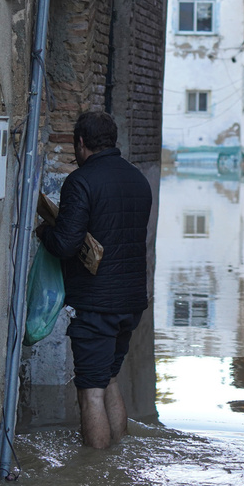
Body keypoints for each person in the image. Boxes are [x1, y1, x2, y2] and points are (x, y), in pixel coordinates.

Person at [36, 111, 152, 449]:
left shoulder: (81, 181)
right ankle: (118, 459)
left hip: (96, 304)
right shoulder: (138, 180)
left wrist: (46, 231)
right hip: (132, 302)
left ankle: (97, 473)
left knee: (90, 389)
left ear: (82, 143)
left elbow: (66, 244)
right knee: (109, 377)